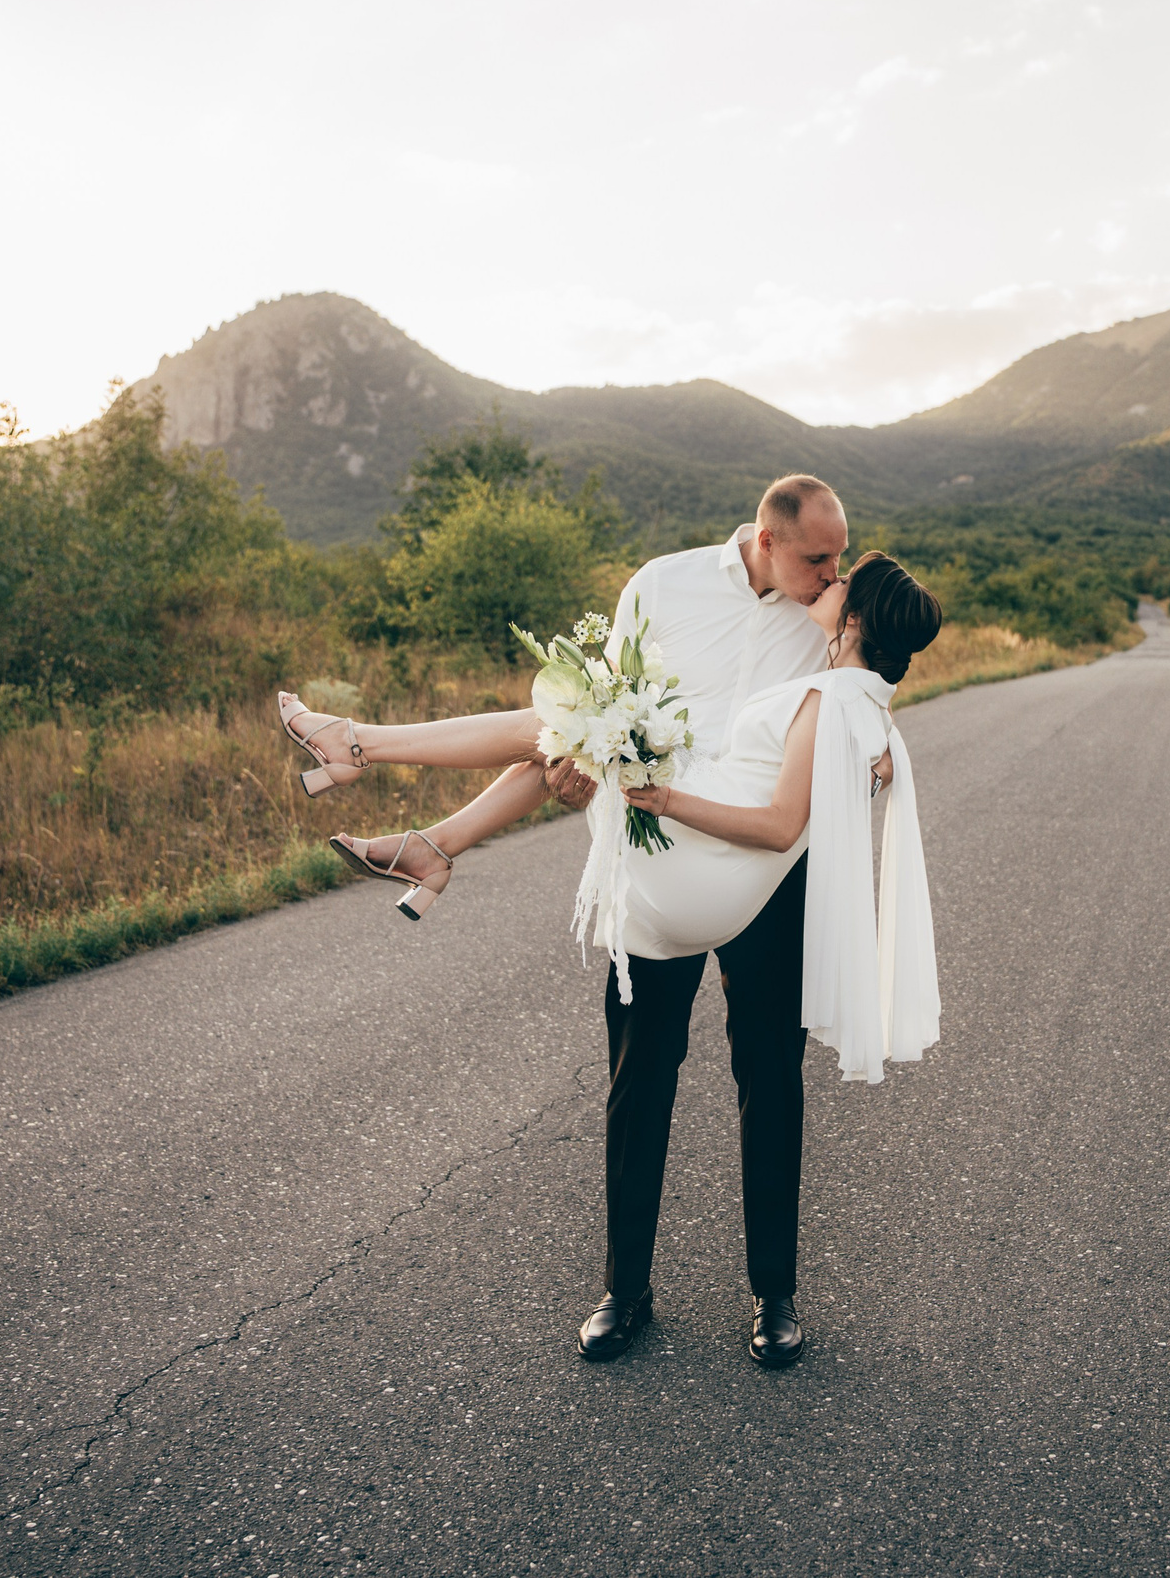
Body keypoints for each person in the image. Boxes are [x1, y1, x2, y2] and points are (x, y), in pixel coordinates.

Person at [274, 482, 943, 1369]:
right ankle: (626, 1289)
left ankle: (774, 1294)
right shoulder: (660, 587)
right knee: (640, 1071)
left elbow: (867, 702)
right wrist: (570, 772)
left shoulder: (829, 614)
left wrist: (877, 765)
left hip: (766, 869)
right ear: (766, 539)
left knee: (771, 1073)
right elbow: (605, 711)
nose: (834, 573)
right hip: (659, 848)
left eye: (839, 558)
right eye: (817, 558)